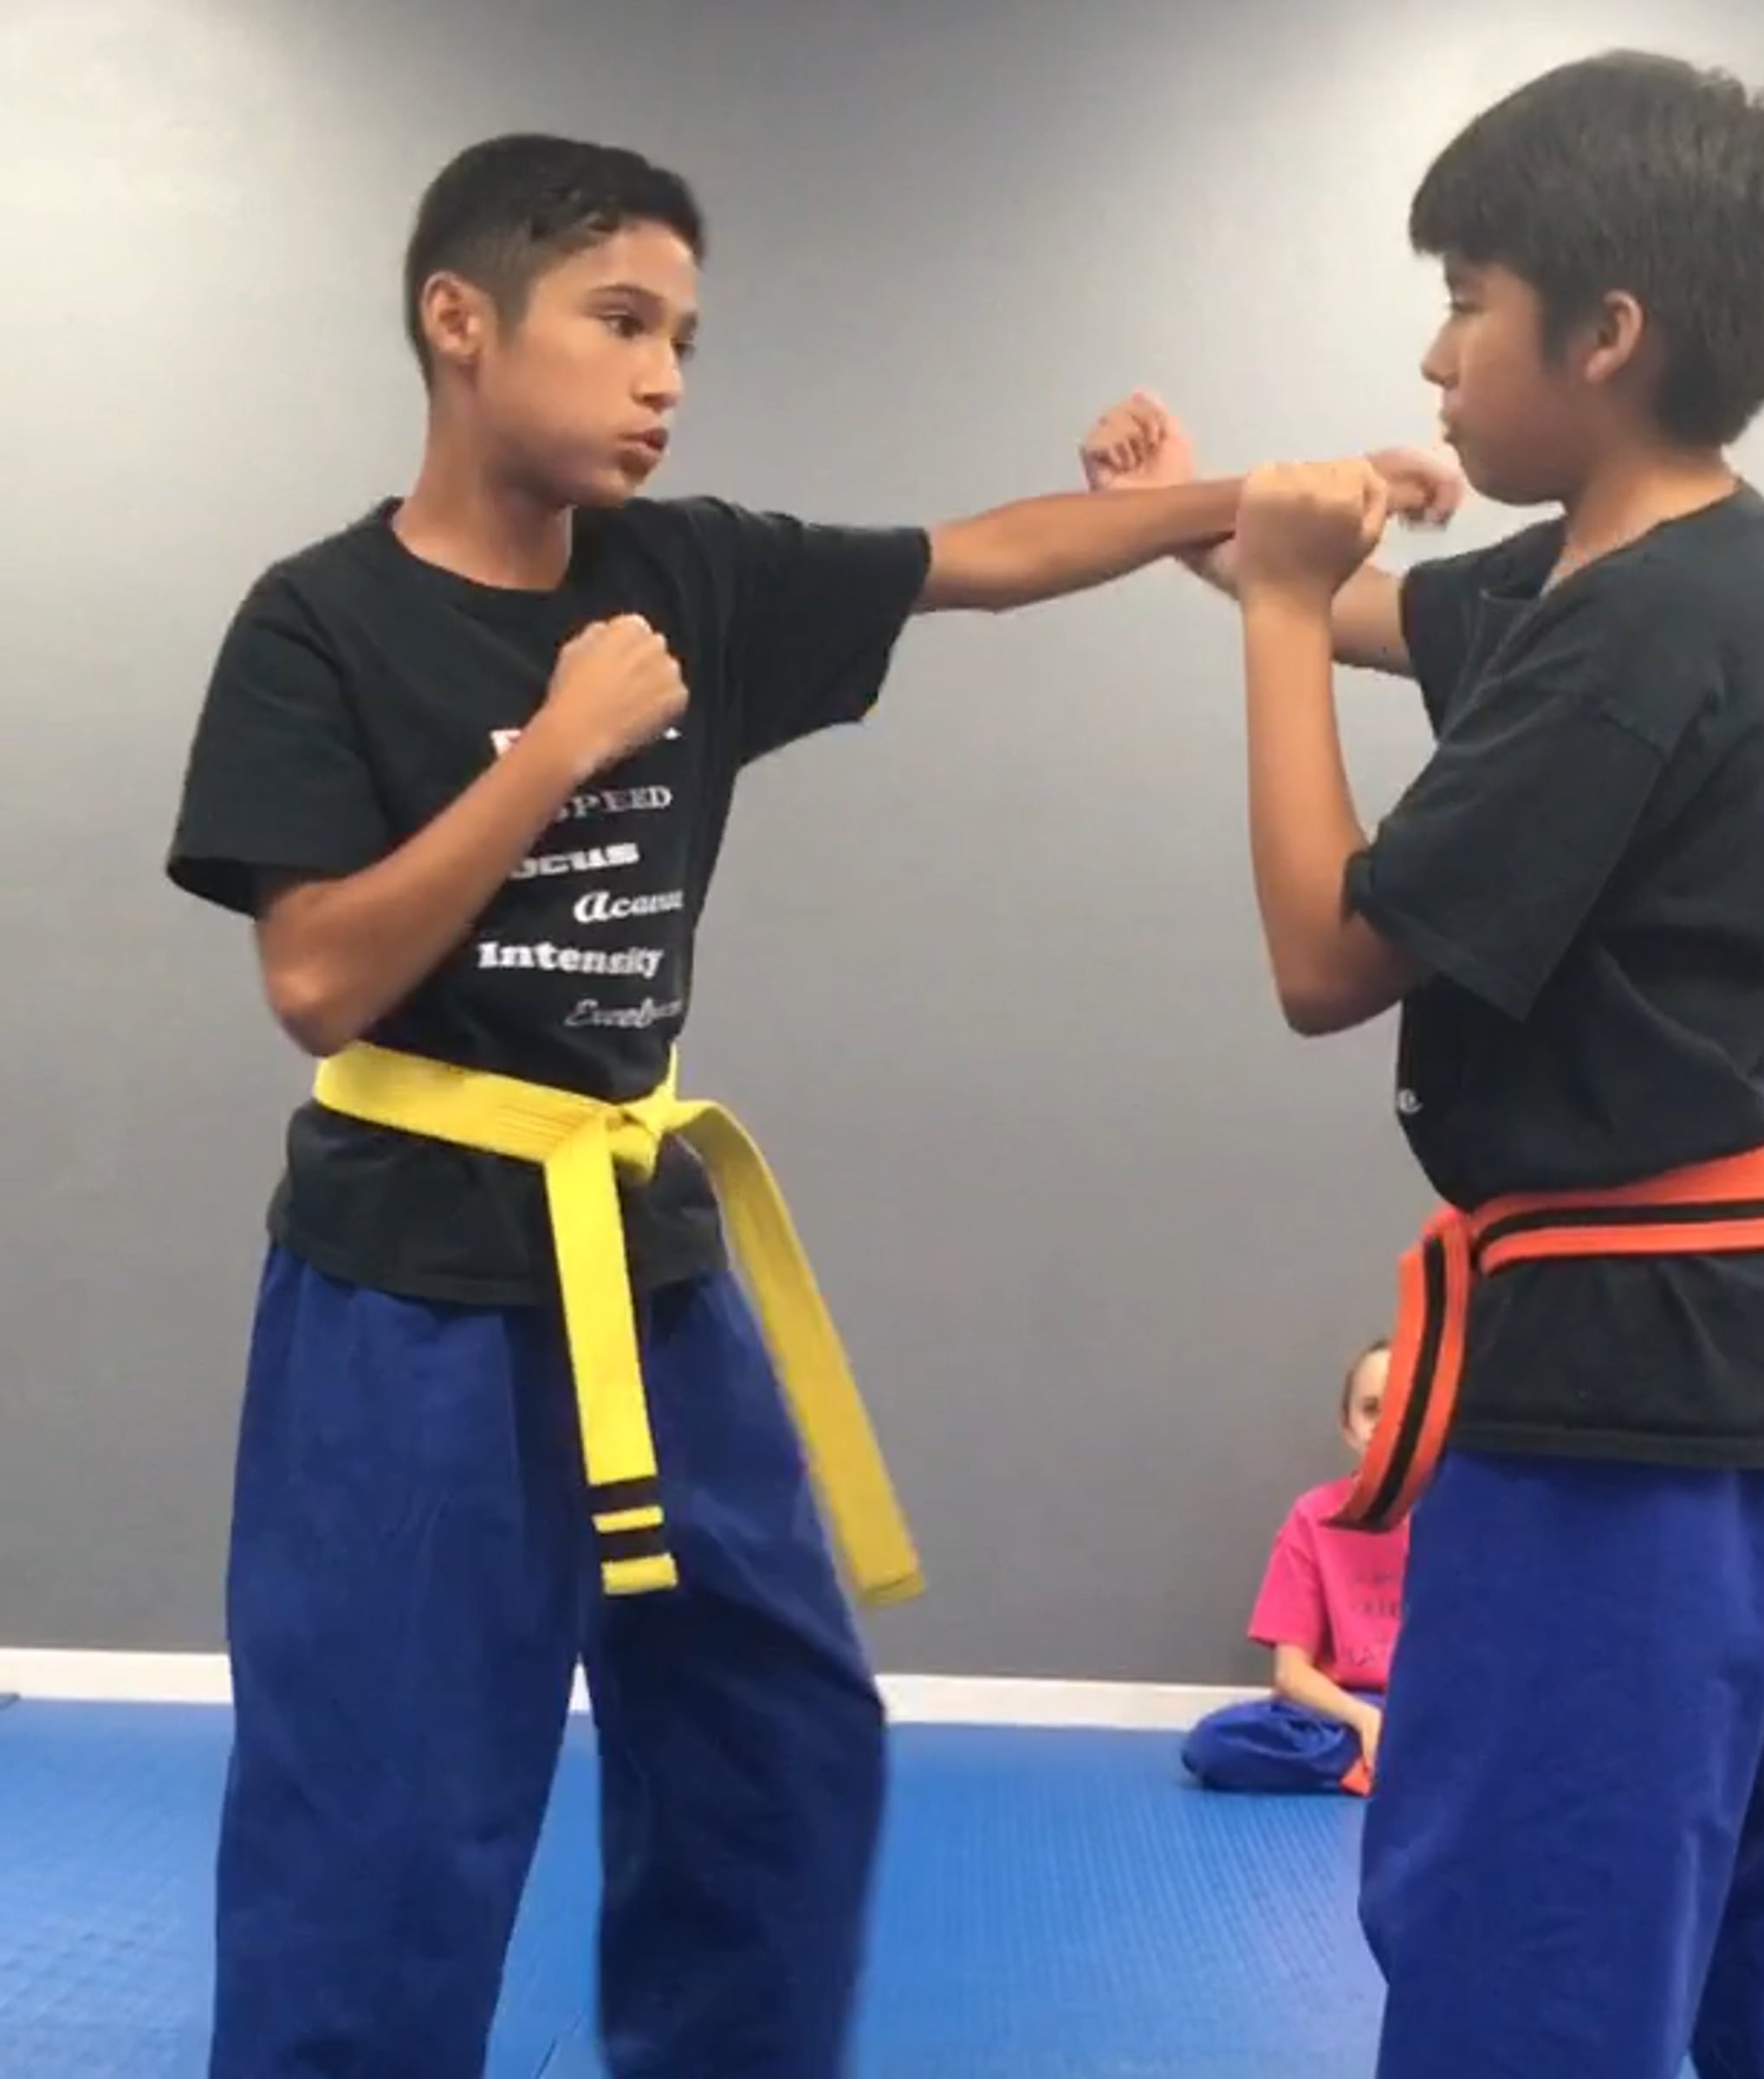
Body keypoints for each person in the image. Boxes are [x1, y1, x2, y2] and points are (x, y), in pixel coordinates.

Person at [158, 129, 1400, 2079]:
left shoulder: (692, 574)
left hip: (653, 1272)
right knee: (381, 1819)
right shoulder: (319, 621)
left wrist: (1261, 503)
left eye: (685, 339)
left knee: (781, 1742)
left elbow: (978, 560)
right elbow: (316, 977)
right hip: (407, 1289)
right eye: (619, 323)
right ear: (461, 321)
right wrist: (556, 750)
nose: (662, 377)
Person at [1082, 51, 1764, 2079]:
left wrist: (1271, 611)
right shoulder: (1639, 560)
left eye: (1463, 303)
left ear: (1604, 333)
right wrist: (1201, 522)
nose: (1429, 358)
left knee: (1532, 1919)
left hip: (1640, 1374)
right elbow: (1375, 616)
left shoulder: (1628, 634)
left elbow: (1325, 954)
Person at [1183, 1338, 1411, 1797]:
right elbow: (1291, 1675)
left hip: (1427, 1709)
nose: (1387, 1426)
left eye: (1405, 1410)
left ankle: (1393, 1759)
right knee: (1215, 1743)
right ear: (1348, 1426)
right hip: (1340, 1712)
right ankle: (1392, 1762)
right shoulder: (1314, 1517)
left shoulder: (1457, 1520)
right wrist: (1365, 1718)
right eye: (1372, 1410)